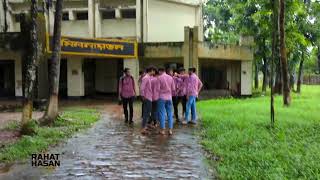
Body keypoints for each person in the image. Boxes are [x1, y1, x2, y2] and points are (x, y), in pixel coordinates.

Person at [157, 67, 175, 135]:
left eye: (159, 72)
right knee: (170, 114)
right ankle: (170, 130)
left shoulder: (159, 78)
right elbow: (173, 88)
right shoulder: (170, 78)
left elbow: (157, 89)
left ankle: (163, 130)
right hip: (169, 98)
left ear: (160, 71)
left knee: (162, 113)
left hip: (161, 97)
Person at [140, 66, 155, 134]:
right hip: (147, 97)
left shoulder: (149, 77)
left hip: (149, 97)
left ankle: (145, 126)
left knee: (147, 112)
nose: (154, 72)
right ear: (151, 71)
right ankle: (143, 128)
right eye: (153, 71)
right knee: (146, 113)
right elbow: (142, 88)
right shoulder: (146, 78)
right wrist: (143, 96)